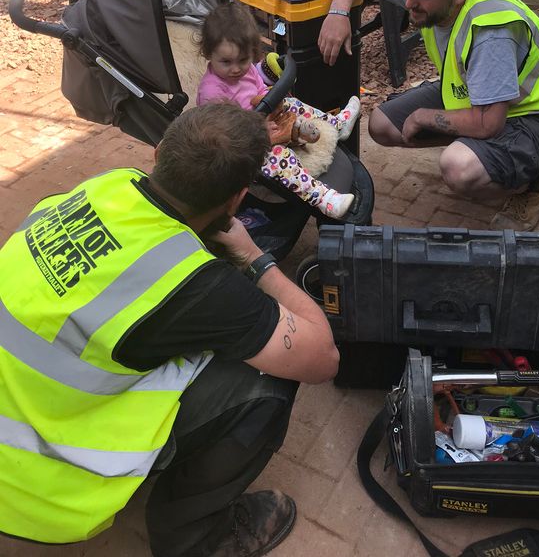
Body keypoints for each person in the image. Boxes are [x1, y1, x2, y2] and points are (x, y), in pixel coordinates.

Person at [0, 103, 339, 557]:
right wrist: (255, 257)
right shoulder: (196, 283)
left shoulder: (106, 185)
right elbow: (322, 358)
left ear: (159, 154)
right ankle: (195, 540)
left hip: (22, 408)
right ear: (238, 199)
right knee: (266, 382)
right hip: (40, 488)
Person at [318, 0, 539, 230]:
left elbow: (489, 123)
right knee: (382, 126)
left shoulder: (491, 33)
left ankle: (533, 185)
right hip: (485, 97)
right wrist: (338, 11)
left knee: (459, 167)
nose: (409, 1)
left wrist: (424, 117)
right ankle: (488, 155)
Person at [197, 1, 361, 219]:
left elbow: (260, 89)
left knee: (290, 103)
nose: (236, 69)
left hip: (267, 123)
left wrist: (272, 89)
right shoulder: (212, 92)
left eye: (243, 60)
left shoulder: (245, 71)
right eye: (226, 62)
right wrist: (258, 129)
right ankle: (323, 198)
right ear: (209, 54)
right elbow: (223, 135)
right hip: (242, 148)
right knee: (279, 156)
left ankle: (336, 125)